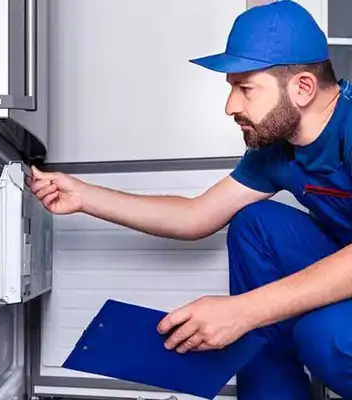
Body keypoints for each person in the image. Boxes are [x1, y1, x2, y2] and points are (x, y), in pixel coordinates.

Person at [29, 1, 352, 399]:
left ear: (302, 88)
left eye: (244, 88)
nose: (230, 106)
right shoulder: (277, 150)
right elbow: (196, 216)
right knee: (255, 223)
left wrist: (243, 311)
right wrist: (84, 195)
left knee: (327, 336)